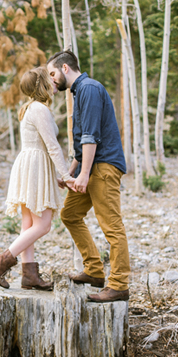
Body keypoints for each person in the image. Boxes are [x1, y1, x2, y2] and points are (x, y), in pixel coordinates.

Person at [46, 50, 131, 303]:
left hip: (103, 167)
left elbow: (91, 136)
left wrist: (83, 174)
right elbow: (82, 142)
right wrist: (71, 172)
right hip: (90, 166)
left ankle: (119, 285)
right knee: (69, 214)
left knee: (112, 227)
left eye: (52, 73)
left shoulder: (90, 88)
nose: (51, 80)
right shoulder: (78, 91)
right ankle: (94, 270)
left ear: (64, 68)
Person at [0, 67, 77, 291]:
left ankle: (29, 275)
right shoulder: (39, 109)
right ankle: (3, 260)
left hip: (30, 164)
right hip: (34, 166)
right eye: (50, 80)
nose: (55, 83)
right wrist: (66, 175)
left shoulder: (30, 108)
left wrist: (56, 173)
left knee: (28, 225)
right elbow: (52, 146)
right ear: (42, 86)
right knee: (43, 225)